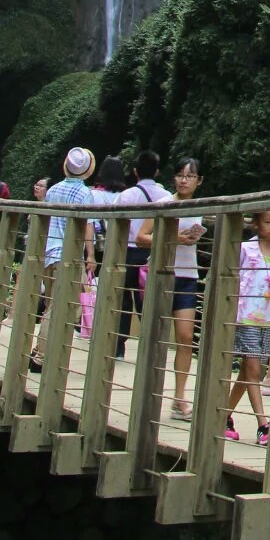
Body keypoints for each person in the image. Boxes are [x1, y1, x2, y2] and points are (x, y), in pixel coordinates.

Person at [226, 209, 270, 446]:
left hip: (269, 318)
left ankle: (224, 416)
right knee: (254, 370)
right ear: (257, 223)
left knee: (247, 371)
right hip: (246, 316)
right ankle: (263, 425)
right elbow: (232, 277)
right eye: (267, 222)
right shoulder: (245, 249)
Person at [31, 147, 97, 369]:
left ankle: (45, 351)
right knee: (64, 306)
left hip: (49, 253)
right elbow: (87, 226)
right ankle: (40, 355)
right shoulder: (85, 194)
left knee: (52, 302)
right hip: (68, 256)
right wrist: (90, 254)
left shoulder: (53, 190)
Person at [114, 150, 172, 360]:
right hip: (152, 252)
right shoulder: (166, 196)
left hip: (128, 251)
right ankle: (150, 349)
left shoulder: (127, 195)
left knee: (123, 300)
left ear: (135, 171)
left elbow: (114, 223)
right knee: (146, 301)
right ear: (157, 171)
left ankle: (118, 347)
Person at [168, 158, 205, 419]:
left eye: (190, 176)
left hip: (188, 275)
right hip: (162, 275)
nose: (184, 180)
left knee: (185, 337)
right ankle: (149, 392)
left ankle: (179, 397)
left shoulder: (201, 207)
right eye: (180, 175)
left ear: (199, 181)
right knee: (155, 338)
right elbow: (141, 237)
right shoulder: (164, 205)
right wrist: (175, 239)